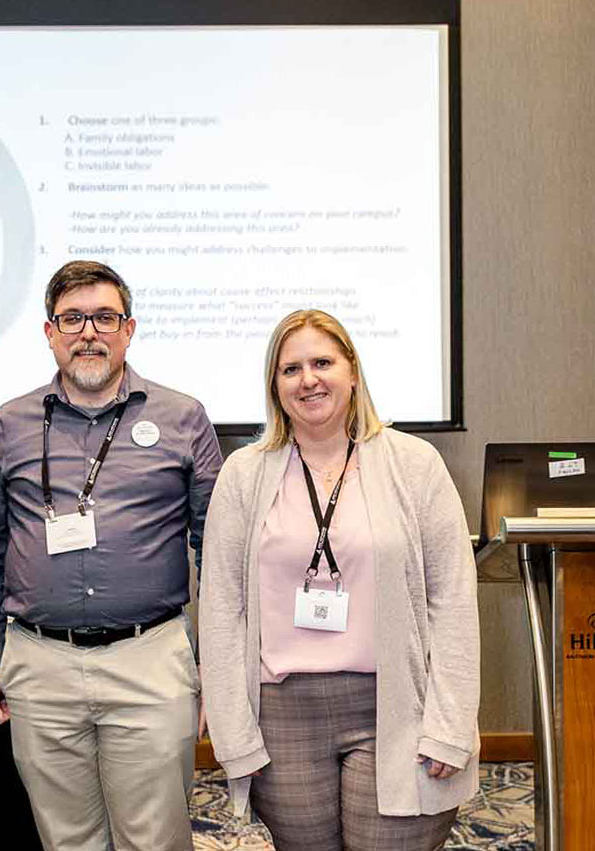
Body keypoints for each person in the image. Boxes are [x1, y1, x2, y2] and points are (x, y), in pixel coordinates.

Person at [0, 260, 222, 851]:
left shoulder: (183, 418)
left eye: (104, 317)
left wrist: (216, 662)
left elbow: (218, 549)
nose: (89, 332)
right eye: (73, 318)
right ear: (49, 332)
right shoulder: (10, 423)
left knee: (154, 838)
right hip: (38, 662)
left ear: (128, 329)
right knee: (67, 839)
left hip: (150, 659)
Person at [200, 309, 479, 851]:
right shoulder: (244, 473)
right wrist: (235, 732)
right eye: (291, 369)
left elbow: (453, 601)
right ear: (275, 386)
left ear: (352, 371)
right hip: (283, 715)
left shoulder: (415, 464)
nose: (308, 379)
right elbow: (220, 607)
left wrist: (449, 725)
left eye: (322, 362)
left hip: (395, 704)